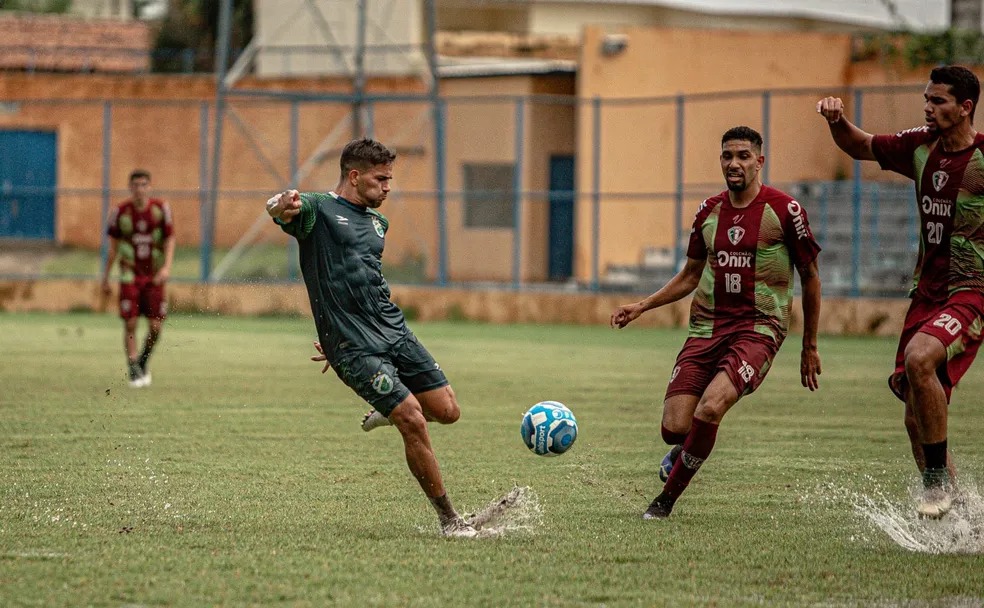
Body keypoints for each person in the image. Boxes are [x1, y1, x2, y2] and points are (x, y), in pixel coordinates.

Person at [264, 138, 478, 538]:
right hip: (353, 347)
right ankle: (451, 521)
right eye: (381, 179)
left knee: (448, 410)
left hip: (393, 329)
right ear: (355, 176)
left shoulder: (379, 224)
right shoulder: (317, 210)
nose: (388, 187)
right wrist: (279, 205)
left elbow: (361, 280)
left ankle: (388, 407)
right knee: (413, 419)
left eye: (390, 179)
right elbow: (281, 209)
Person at [611, 126, 822, 519]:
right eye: (727, 156)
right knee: (674, 428)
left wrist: (809, 345)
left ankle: (664, 503)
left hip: (759, 329)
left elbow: (811, 277)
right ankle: (684, 449)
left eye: (743, 156)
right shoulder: (708, 211)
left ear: (760, 162)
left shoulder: (785, 210)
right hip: (706, 328)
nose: (734, 163)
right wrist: (643, 305)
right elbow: (691, 275)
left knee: (710, 409)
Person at [817, 65, 984, 519]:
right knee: (915, 416)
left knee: (919, 359)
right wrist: (836, 120)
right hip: (926, 294)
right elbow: (861, 145)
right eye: (926, 99)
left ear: (965, 107)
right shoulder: (920, 146)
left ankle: (934, 486)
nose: (928, 107)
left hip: (972, 293)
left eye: (938, 101)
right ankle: (965, 517)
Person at [101, 169, 174, 388]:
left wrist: (166, 268)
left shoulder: (161, 210)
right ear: (130, 187)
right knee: (130, 322)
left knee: (155, 327)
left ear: (149, 187)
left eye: (143, 185)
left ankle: (143, 359)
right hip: (129, 274)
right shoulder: (121, 213)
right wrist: (105, 278)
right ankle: (133, 366)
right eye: (135, 185)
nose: (139, 189)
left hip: (154, 276)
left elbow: (170, 240)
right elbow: (112, 248)